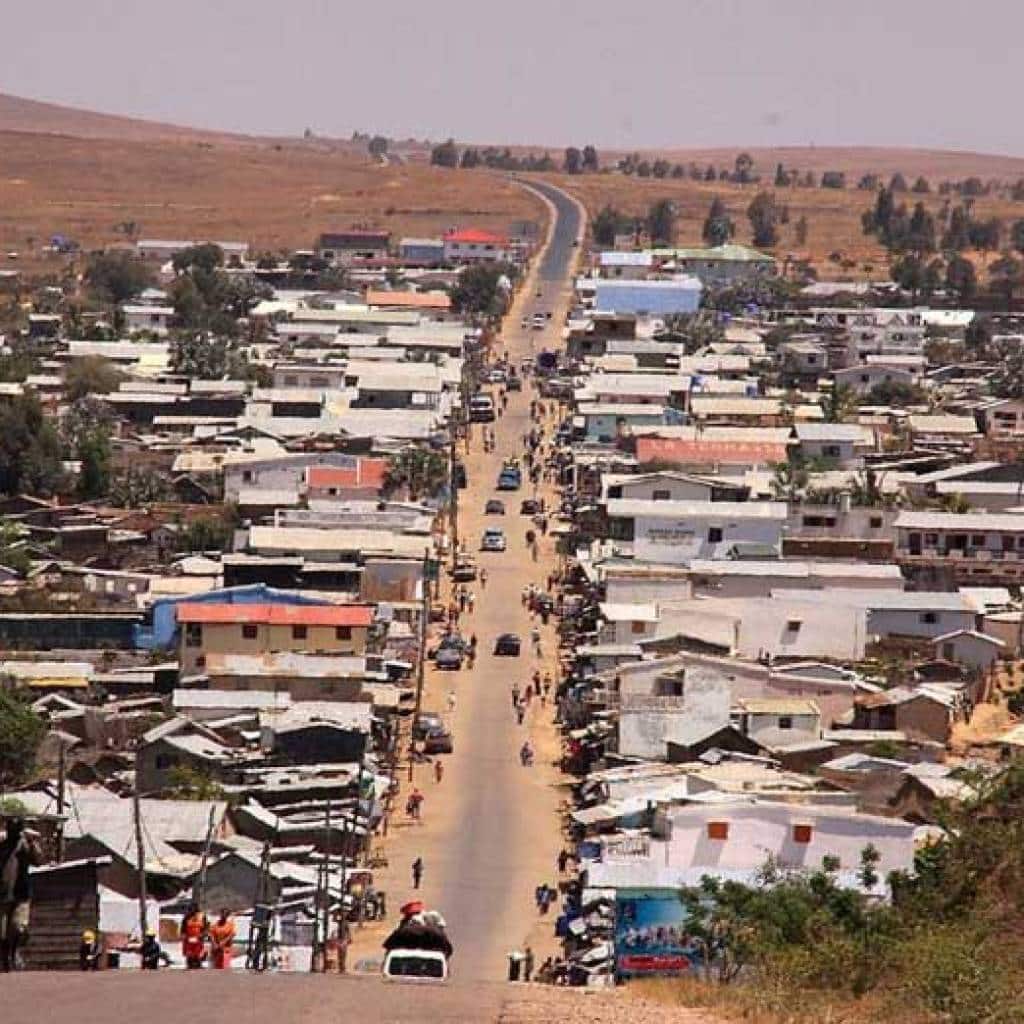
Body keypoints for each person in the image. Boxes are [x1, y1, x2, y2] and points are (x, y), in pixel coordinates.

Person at [0, 817, 43, 972]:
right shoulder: (3, 845)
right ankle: (5, 958)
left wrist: (32, 842)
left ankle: (14, 951)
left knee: (19, 927)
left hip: (21, 893)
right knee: (2, 932)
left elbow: (38, 860)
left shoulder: (24, 845)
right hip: (4, 894)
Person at [180, 904, 207, 969]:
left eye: (193, 909)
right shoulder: (186, 917)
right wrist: (183, 936)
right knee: (189, 953)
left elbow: (206, 927)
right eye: (190, 909)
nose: (192, 910)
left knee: (198, 952)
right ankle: (190, 965)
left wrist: (203, 934)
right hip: (188, 938)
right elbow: (183, 929)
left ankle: (198, 964)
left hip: (198, 938)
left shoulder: (202, 916)